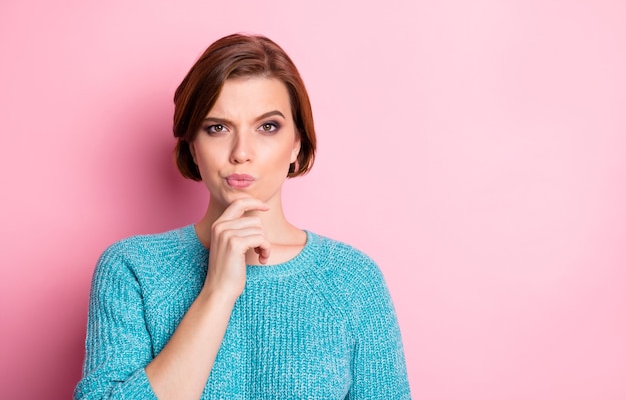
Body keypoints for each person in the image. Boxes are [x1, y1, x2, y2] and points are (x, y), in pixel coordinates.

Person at [74, 33, 411, 400]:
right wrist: (218, 291)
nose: (241, 152)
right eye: (217, 127)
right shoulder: (132, 269)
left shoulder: (351, 280)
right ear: (192, 143)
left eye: (267, 127)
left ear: (297, 143)